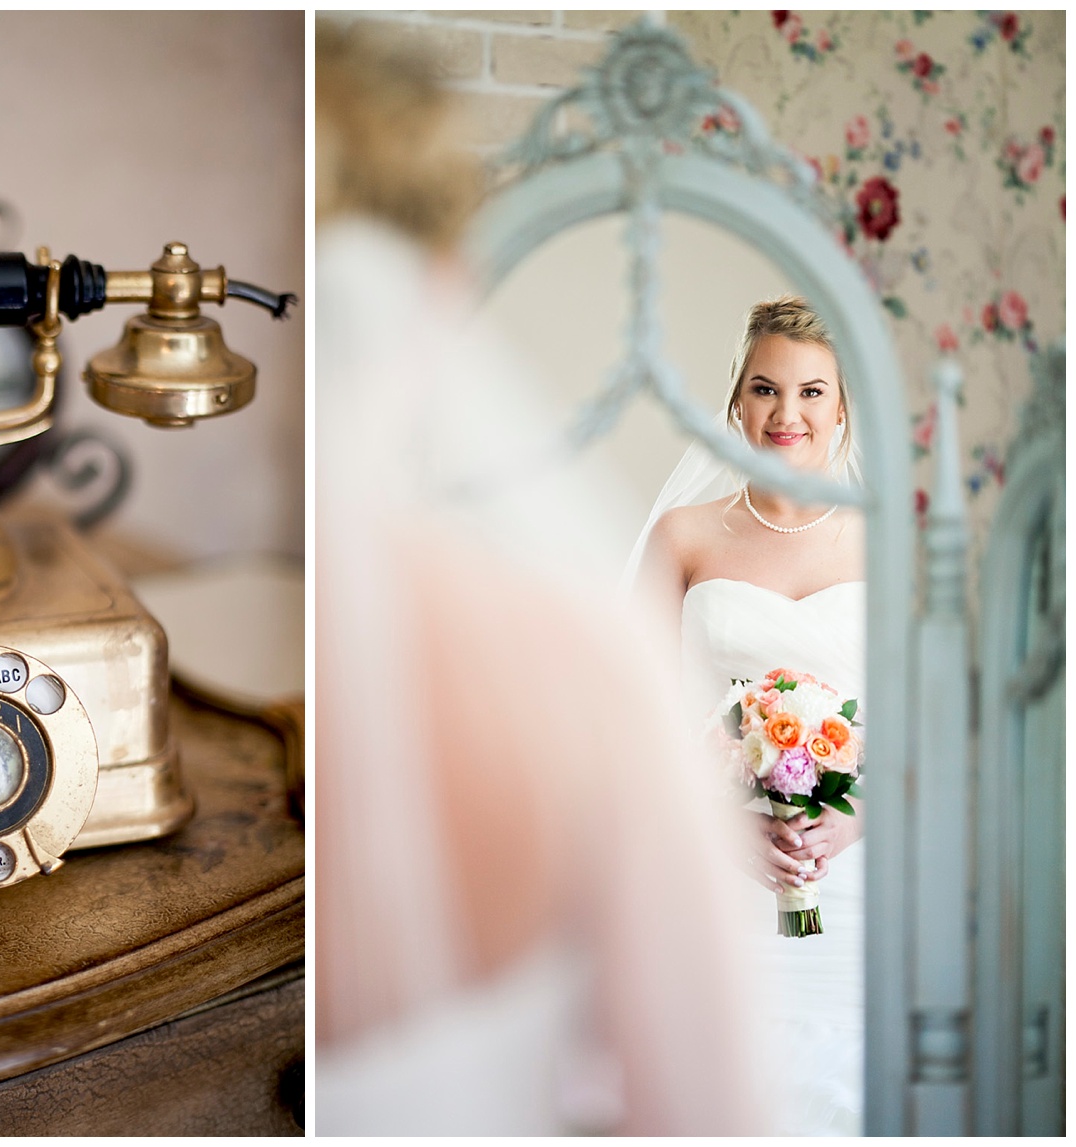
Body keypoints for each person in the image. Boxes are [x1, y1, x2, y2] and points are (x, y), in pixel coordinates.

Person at [316, 22, 763, 1135]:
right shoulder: (568, 654)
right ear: (437, 289)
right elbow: (703, 1113)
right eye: (764, 391)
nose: (781, 417)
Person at [637, 295, 866, 1136]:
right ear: (737, 400)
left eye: (811, 392)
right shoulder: (684, 537)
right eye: (766, 388)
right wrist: (724, 825)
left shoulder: (887, 541)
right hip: (711, 872)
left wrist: (854, 819)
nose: (787, 412)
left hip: (856, 877)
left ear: (842, 406)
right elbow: (636, 725)